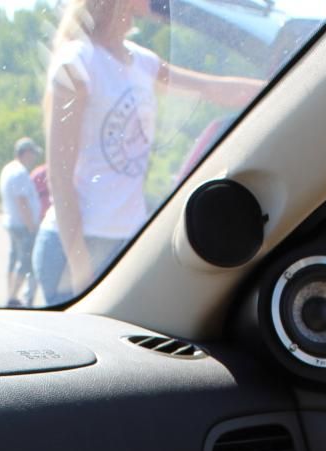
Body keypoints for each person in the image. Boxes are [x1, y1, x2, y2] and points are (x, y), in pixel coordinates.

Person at [33, 0, 262, 304]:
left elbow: (212, 88)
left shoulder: (141, 61)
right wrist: (80, 269)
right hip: (77, 246)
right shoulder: (78, 60)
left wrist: (282, 84)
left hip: (126, 241)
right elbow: (60, 177)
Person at [0, 137, 44, 307]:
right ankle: (13, 297)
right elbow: (22, 201)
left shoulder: (8, 169)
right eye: (33, 153)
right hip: (22, 224)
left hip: (12, 221)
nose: (34, 158)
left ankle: (10, 293)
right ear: (26, 153)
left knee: (14, 259)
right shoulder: (19, 172)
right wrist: (31, 225)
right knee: (25, 262)